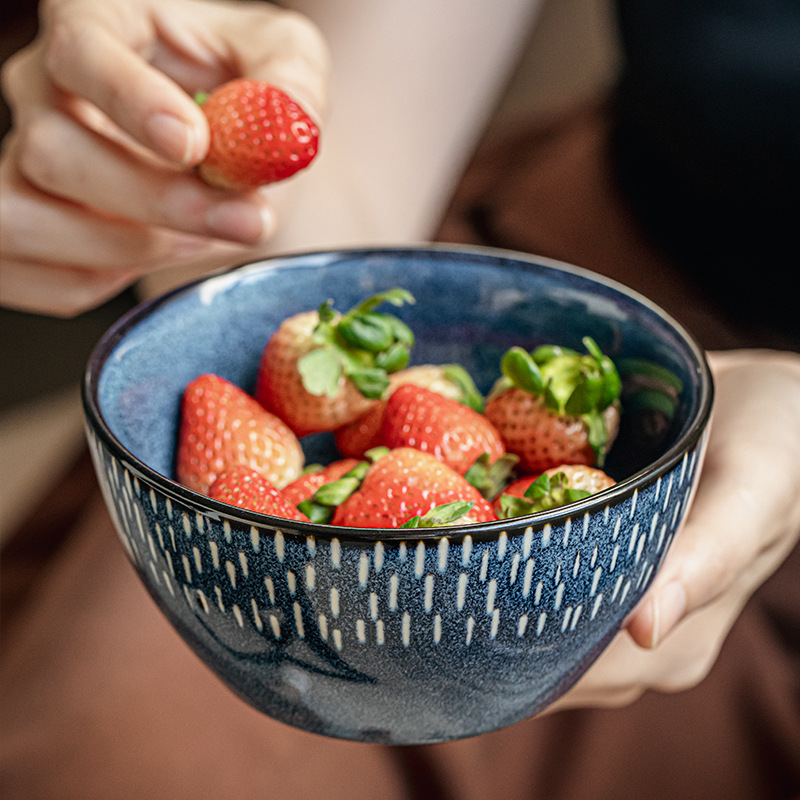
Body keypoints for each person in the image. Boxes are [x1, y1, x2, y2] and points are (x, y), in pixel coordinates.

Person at [1, 1, 799, 798]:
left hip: (728, 432)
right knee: (100, 765)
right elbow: (333, 233)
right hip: (573, 291)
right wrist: (191, 163)